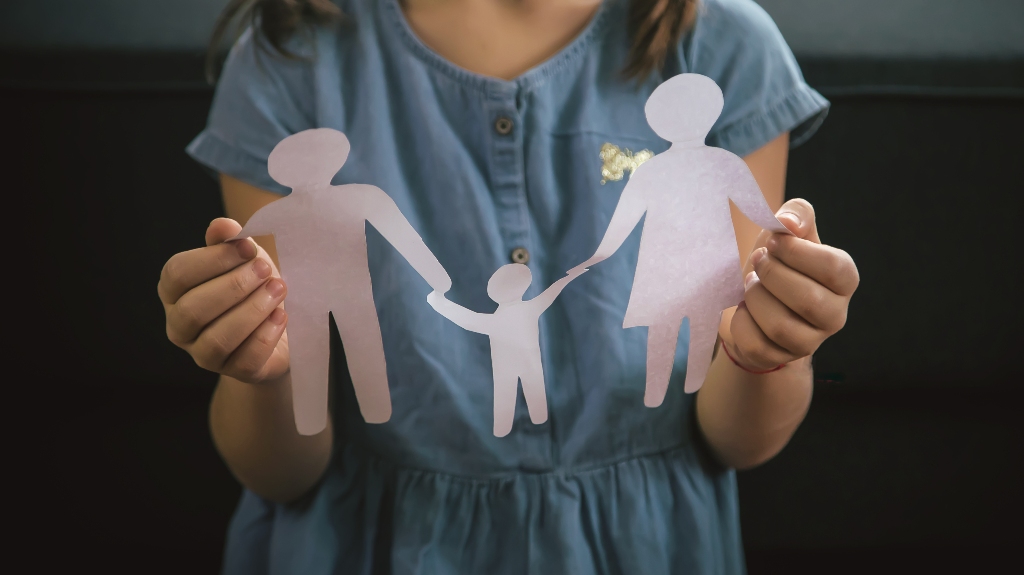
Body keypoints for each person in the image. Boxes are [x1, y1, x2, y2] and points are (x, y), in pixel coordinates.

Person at [157, 0, 859, 573]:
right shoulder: (289, 56)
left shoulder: (726, 45)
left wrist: (772, 343)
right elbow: (279, 468)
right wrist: (259, 367)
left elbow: (740, 437)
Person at [571, 73, 791, 406]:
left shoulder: (658, 169)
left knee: (679, 330)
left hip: (686, 266)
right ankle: (662, 393)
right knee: (690, 330)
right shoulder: (714, 163)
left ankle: (658, 394)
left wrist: (787, 232)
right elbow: (758, 210)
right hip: (683, 265)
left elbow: (758, 211)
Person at [235, 128, 451, 434]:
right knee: (343, 352)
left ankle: (325, 419)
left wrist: (437, 276)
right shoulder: (357, 197)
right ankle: (350, 415)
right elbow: (403, 235)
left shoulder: (278, 212)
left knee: (336, 354)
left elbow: (402, 235)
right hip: (330, 297)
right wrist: (438, 278)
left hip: (331, 297)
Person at [427, 264, 586, 437]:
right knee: (534, 391)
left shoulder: (496, 319)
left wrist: (439, 303)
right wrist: (569, 277)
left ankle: (503, 429)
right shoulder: (530, 308)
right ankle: (539, 420)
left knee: (505, 396)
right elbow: (552, 292)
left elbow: (467, 319)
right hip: (529, 362)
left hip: (505, 367)